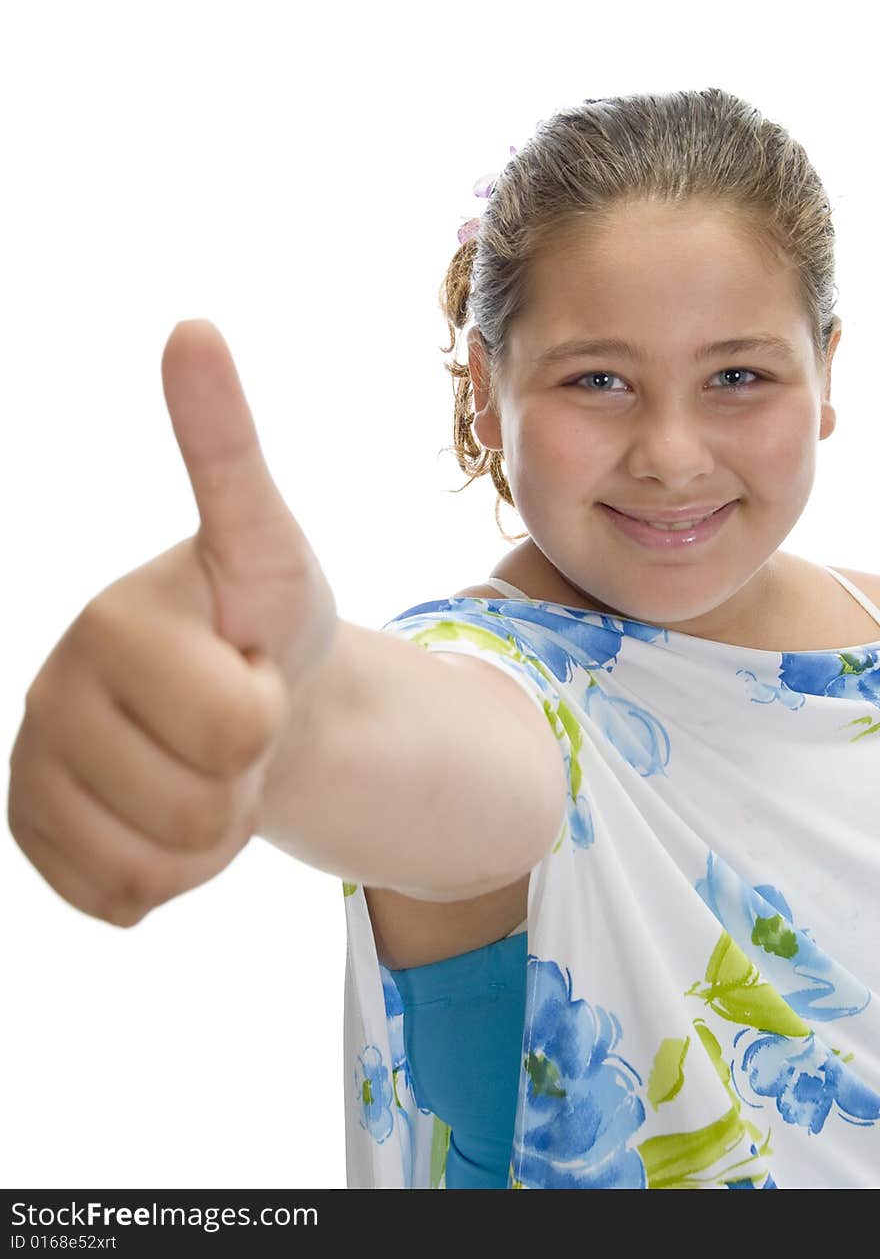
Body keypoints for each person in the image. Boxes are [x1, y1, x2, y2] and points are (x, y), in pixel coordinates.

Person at [7, 89, 879, 1192]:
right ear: (486, 386)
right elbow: (429, 750)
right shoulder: (506, 685)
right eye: (598, 379)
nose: (670, 453)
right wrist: (287, 714)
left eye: (738, 377)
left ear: (826, 373)